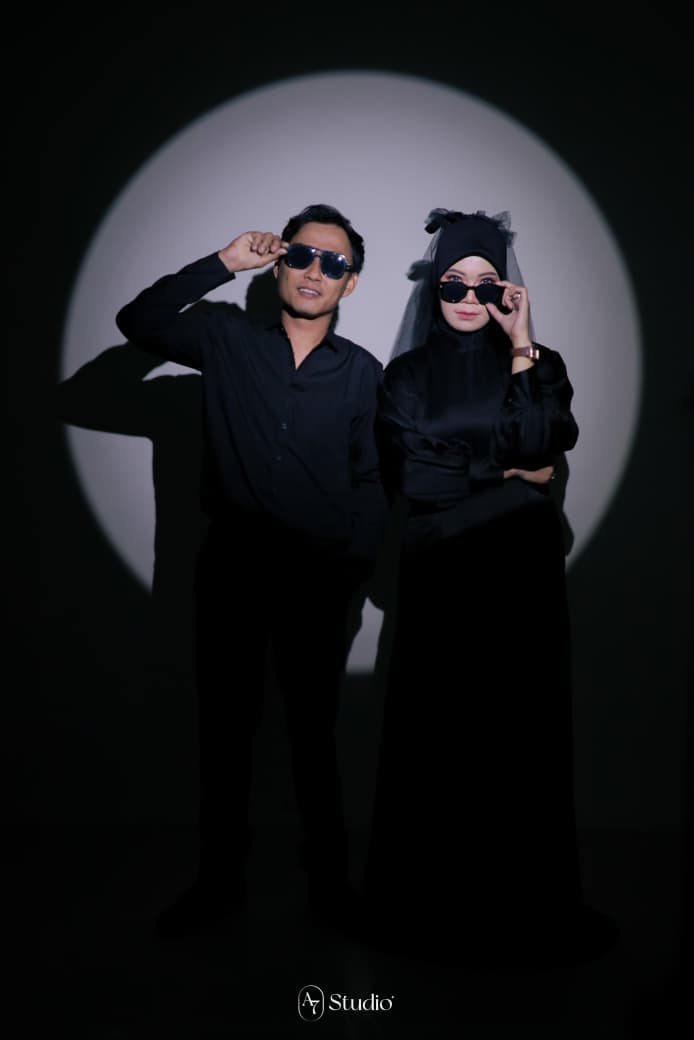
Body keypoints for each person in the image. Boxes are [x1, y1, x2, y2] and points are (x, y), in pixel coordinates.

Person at [115, 203, 389, 936]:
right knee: (226, 732)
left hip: (318, 580)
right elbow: (137, 321)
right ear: (279, 265)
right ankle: (218, 886)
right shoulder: (226, 336)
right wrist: (222, 263)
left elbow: (372, 479)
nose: (315, 271)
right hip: (232, 568)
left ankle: (329, 887)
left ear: (351, 283)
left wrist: (352, 564)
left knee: (313, 735)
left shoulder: (363, 374)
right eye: (302, 255)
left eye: (334, 263)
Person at [362, 208, 616, 966]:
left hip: (521, 578)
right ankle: (428, 911)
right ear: (434, 287)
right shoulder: (406, 375)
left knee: (521, 739)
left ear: (508, 290)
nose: (469, 298)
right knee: (438, 739)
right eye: (454, 283)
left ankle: (527, 910)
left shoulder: (539, 362)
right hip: (441, 574)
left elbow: (546, 442)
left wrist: (522, 344)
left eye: (487, 284)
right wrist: (504, 468)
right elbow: (415, 476)